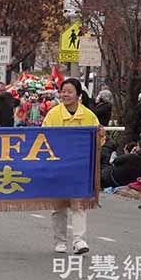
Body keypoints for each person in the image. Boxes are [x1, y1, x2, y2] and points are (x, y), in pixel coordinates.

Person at [42, 78, 100, 254]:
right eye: (62, 91)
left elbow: (99, 141)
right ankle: (60, 241)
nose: (65, 95)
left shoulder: (89, 116)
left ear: (78, 95)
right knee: (59, 206)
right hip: (58, 167)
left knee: (78, 204)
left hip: (80, 168)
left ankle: (79, 240)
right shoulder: (53, 114)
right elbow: (43, 138)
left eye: (69, 92)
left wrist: (101, 134)